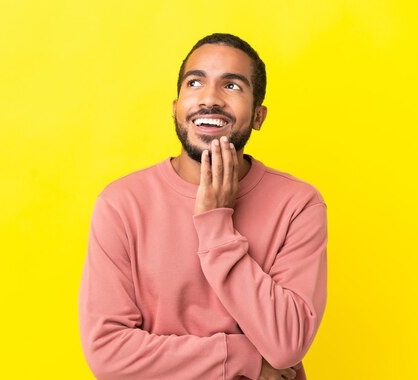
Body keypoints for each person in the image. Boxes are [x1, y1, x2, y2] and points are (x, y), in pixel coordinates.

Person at [78, 33, 327, 380]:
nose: (210, 98)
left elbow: (286, 344)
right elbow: (108, 354)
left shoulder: (299, 204)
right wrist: (245, 358)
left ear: (258, 116)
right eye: (195, 82)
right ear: (176, 106)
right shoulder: (121, 204)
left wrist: (216, 225)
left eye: (233, 86)